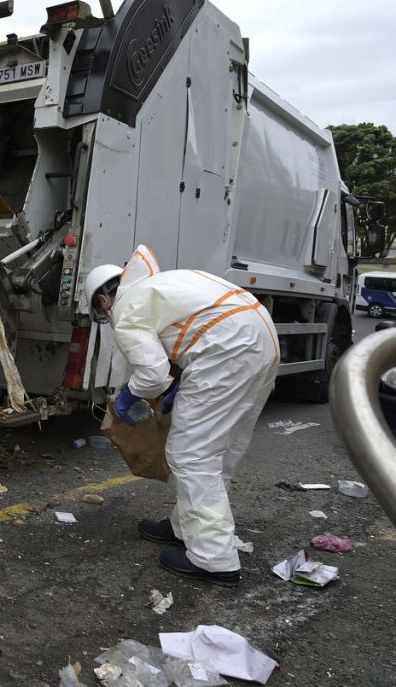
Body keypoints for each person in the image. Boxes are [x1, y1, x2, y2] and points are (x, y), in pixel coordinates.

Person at [84, 245, 280, 585]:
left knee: (192, 455)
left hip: (229, 352)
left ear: (103, 300)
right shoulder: (162, 283)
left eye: (102, 312)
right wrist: (181, 387)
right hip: (259, 340)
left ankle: (213, 559)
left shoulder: (128, 306)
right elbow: (197, 331)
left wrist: (129, 397)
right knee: (221, 448)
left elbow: (153, 373)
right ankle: (186, 528)